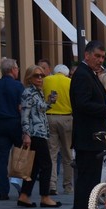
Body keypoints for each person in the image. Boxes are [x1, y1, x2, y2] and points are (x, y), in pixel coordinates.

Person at [69, 40, 106, 209]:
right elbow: (82, 104)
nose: (100, 60)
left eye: (103, 57)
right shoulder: (82, 75)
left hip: (93, 138)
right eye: (97, 56)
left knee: (91, 182)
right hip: (87, 138)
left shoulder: (90, 74)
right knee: (86, 183)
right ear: (87, 55)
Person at [18, 64, 61, 208]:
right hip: (34, 133)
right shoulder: (28, 93)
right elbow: (25, 115)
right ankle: (45, 196)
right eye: (37, 75)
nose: (40, 78)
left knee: (34, 166)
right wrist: (26, 134)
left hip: (41, 132)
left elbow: (40, 110)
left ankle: (24, 195)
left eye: (42, 75)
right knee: (46, 165)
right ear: (29, 78)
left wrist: (49, 102)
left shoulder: (38, 92)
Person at [42, 64, 73, 195]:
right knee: (67, 154)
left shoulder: (47, 80)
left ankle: (52, 184)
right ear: (65, 74)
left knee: (52, 153)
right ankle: (67, 186)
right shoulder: (70, 82)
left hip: (49, 117)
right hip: (66, 118)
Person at [0, 58, 25, 200]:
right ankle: (21, 189)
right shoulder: (18, 86)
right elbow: (21, 107)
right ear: (12, 70)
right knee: (20, 155)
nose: (18, 70)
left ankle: (3, 191)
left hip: (0, 124)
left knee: (1, 158)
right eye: (17, 68)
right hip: (15, 123)